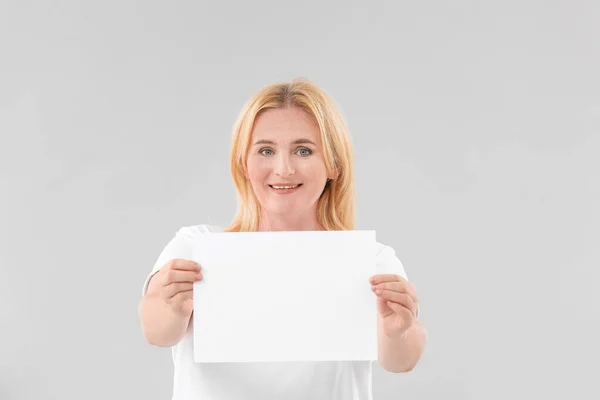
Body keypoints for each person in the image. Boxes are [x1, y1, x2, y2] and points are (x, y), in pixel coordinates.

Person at [138, 78, 427, 400]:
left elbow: (401, 360)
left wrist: (398, 328)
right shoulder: (194, 247)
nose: (284, 168)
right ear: (243, 163)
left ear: (333, 164)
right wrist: (172, 307)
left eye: (303, 150)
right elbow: (157, 332)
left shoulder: (370, 260)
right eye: (265, 150)